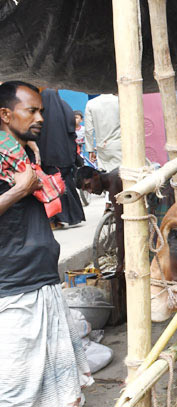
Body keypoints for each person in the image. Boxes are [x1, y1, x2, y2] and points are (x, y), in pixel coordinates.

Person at [0, 81, 92, 406]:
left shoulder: (24, 156)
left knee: (61, 392)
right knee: (15, 394)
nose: (40, 117)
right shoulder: (7, 164)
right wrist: (17, 191)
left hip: (43, 283)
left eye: (41, 110)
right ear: (6, 114)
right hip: (13, 292)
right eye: (32, 111)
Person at [37, 89, 86, 228]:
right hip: (65, 155)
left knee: (52, 186)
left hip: (47, 156)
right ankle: (73, 216)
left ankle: (56, 219)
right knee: (66, 183)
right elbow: (72, 132)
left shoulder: (40, 110)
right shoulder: (65, 107)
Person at [84, 94, 121, 171]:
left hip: (102, 146)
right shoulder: (120, 100)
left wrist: (90, 149)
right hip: (120, 144)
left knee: (105, 175)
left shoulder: (91, 103)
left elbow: (88, 130)